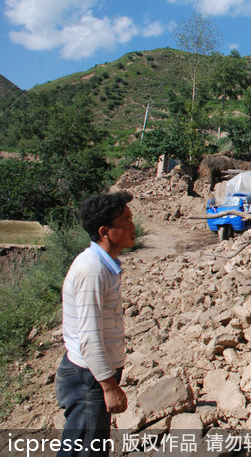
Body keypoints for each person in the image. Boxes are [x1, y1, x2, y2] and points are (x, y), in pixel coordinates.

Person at [56, 192, 136, 457]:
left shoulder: (104, 265)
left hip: (92, 376)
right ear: (105, 231)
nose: (132, 226)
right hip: (87, 378)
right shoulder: (92, 270)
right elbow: (89, 337)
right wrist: (109, 387)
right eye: (125, 221)